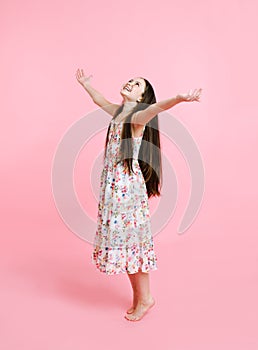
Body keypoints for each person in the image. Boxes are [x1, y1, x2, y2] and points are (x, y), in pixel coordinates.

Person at [75, 68, 202, 321]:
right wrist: (86, 84)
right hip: (115, 191)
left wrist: (177, 98)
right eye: (130, 81)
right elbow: (99, 100)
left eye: (136, 85)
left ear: (142, 98)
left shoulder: (137, 118)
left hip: (127, 194)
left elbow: (155, 110)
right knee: (127, 248)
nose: (130, 83)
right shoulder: (119, 113)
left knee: (133, 247)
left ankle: (145, 298)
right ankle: (142, 298)